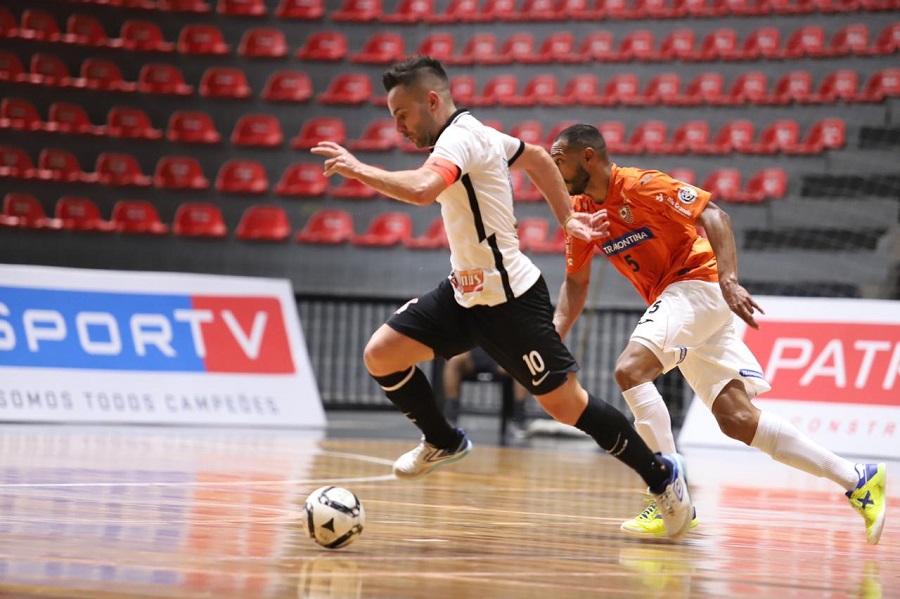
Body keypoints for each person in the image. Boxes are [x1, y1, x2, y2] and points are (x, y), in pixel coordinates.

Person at [311, 55, 693, 540]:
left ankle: (663, 477)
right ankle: (443, 440)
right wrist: (568, 219)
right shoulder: (480, 132)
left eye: (402, 115)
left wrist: (359, 169)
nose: (399, 127)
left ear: (432, 100)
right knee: (382, 354)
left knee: (567, 406)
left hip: (511, 300)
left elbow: (426, 189)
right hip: (464, 292)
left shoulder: (461, 139)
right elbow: (534, 156)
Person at [548, 123, 887, 544]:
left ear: (587, 157)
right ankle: (858, 478)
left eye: (559, 158)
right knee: (737, 420)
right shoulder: (581, 214)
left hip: (699, 285)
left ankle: (668, 488)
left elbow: (715, 214)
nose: (553, 166)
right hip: (685, 303)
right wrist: (554, 332)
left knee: (630, 371)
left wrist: (729, 279)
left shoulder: (642, 186)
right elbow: (576, 284)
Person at [442, 347, 530, 436]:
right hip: (473, 354)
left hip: (499, 356)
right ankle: (451, 419)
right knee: (453, 360)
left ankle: (519, 421)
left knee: (519, 365)